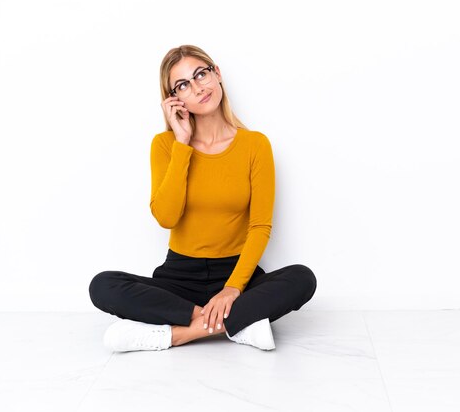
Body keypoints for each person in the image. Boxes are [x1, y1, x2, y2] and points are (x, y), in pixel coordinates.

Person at [88, 45, 317, 352]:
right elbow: (166, 218)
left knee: (302, 278)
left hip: (236, 274)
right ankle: (237, 325)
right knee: (102, 285)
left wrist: (233, 289)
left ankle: (178, 334)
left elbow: (260, 226)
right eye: (183, 85)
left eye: (201, 74)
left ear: (217, 74)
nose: (198, 88)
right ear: (174, 99)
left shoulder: (255, 145)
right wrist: (182, 144)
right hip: (179, 278)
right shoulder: (166, 145)